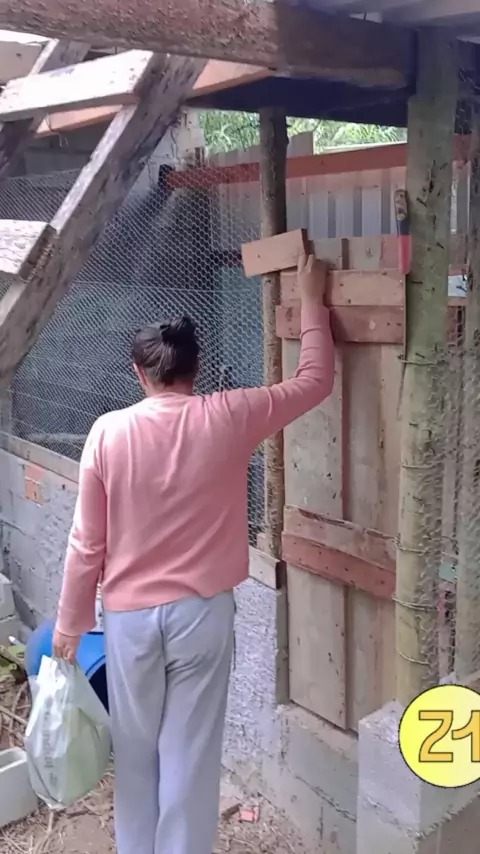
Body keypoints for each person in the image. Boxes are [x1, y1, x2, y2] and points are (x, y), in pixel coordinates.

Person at [52, 253, 334, 854]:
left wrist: (71, 623)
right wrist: (312, 299)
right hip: (202, 615)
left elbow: (87, 542)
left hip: (128, 619)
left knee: (135, 752)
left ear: (139, 372)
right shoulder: (230, 415)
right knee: (190, 754)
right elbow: (315, 381)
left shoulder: (107, 432)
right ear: (197, 368)